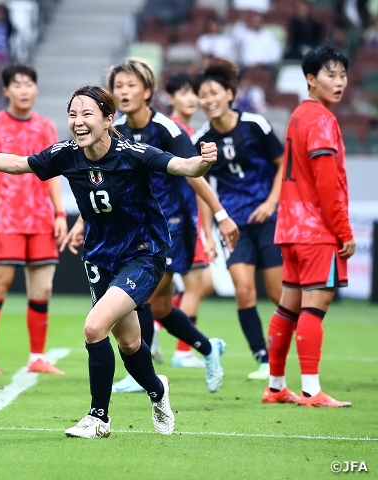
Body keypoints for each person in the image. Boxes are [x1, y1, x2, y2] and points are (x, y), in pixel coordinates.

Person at [0, 85, 219, 438]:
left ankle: (98, 418)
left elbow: (182, 165)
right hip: (99, 257)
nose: (78, 122)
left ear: (108, 119)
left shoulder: (133, 153)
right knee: (130, 343)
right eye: (73, 114)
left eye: (87, 114)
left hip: (143, 253)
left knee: (93, 327)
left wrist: (204, 161)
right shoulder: (67, 154)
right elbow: (16, 164)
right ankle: (158, 391)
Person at [107, 60, 236, 395]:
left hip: (171, 227)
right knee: (161, 307)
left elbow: (195, 174)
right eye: (118, 86)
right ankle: (210, 349)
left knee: (141, 297)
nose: (123, 91)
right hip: (135, 227)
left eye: (130, 85)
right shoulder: (115, 129)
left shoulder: (168, 129)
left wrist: (220, 215)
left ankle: (140, 373)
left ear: (147, 91)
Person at [264, 46, 354, 407]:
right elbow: (327, 183)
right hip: (316, 231)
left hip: (290, 228)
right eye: (330, 74)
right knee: (313, 309)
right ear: (310, 79)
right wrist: (344, 231)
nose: (339, 82)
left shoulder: (299, 115)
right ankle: (311, 390)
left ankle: (275, 386)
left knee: (288, 307)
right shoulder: (322, 120)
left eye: (343, 75)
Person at [191, 58, 285, 380]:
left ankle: (285, 353)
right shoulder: (201, 140)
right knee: (244, 291)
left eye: (214, 92)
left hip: (268, 218)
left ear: (230, 93)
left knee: (278, 294)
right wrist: (207, 234)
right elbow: (203, 189)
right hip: (233, 225)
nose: (209, 99)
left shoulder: (255, 124)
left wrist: (272, 203)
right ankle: (263, 360)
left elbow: (283, 162)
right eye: (203, 95)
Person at [0, 64, 67, 375]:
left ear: (36, 89)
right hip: (6, 219)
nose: (24, 90)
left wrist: (60, 213)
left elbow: (53, 174)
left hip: (40, 219)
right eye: (18, 85)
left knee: (42, 290)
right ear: (6, 91)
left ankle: (36, 358)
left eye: (29, 84)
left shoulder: (45, 126)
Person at [165, 72, 219, 365]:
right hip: (178, 218)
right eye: (183, 92)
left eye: (192, 93)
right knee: (196, 283)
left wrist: (208, 232)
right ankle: (183, 351)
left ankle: (162, 322)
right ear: (170, 97)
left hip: (191, 218)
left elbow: (202, 187)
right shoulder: (173, 130)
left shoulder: (191, 132)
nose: (190, 98)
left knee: (203, 283)